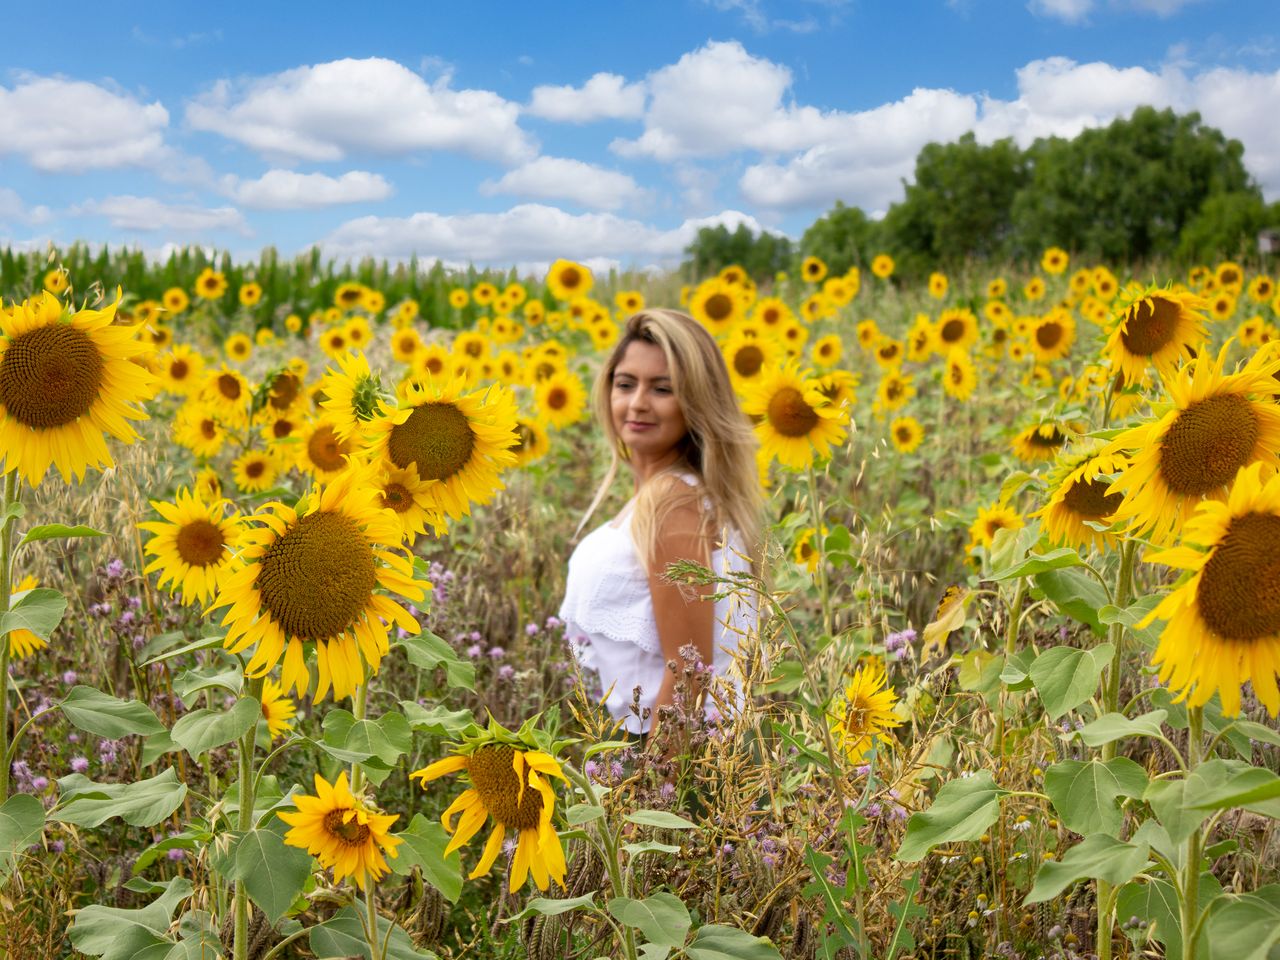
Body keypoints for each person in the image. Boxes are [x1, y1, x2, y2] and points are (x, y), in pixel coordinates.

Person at [559, 309, 763, 736]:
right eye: (625, 384)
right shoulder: (669, 495)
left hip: (674, 759)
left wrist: (655, 793)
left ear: (696, 400)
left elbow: (691, 673)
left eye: (662, 389)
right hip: (667, 750)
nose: (637, 403)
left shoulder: (672, 502)